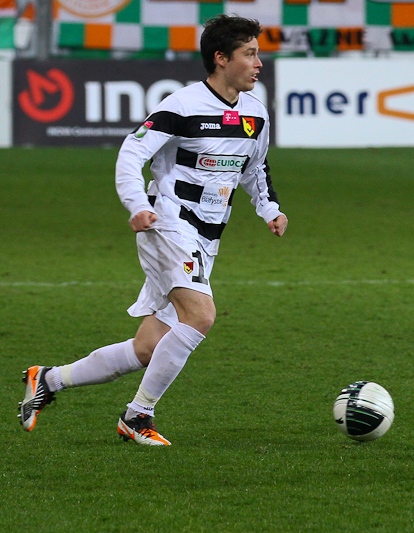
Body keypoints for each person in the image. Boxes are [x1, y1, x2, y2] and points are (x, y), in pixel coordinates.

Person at [18, 14, 286, 446]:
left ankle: (48, 379)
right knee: (201, 316)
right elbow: (131, 154)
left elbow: (255, 168)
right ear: (221, 58)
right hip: (168, 225)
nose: (258, 64)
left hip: (207, 237)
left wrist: (270, 209)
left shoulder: (255, 113)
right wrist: (138, 206)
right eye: (249, 54)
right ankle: (137, 415)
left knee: (148, 347)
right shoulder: (181, 107)